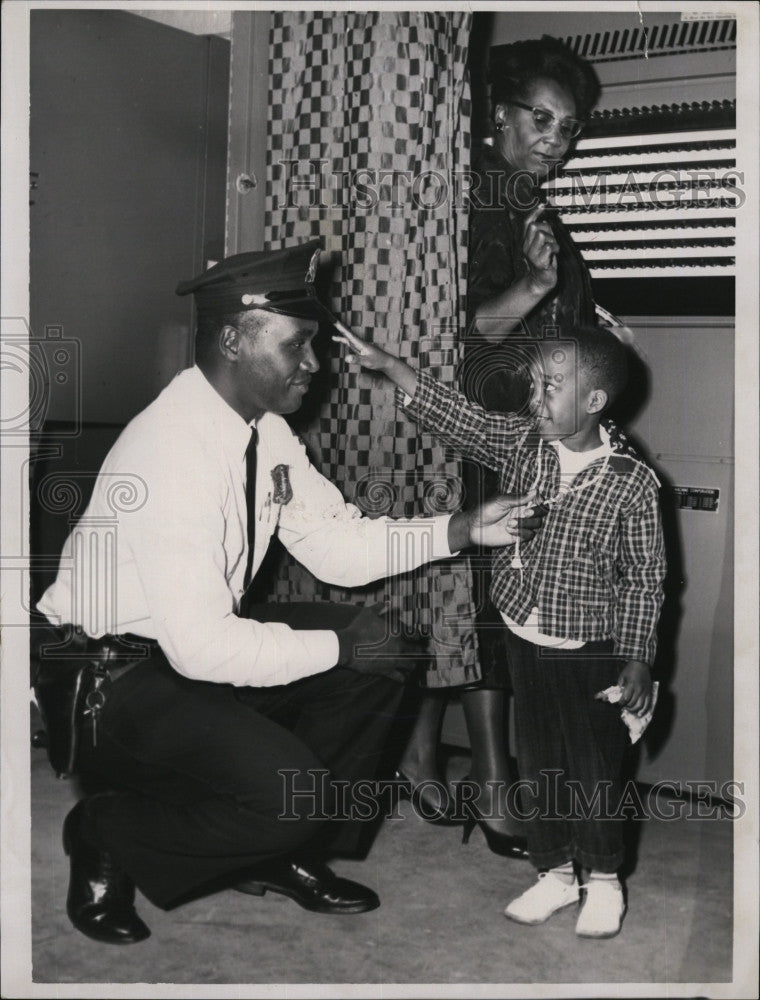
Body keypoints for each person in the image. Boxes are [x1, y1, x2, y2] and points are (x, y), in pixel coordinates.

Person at [35, 240, 545, 945]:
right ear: (233, 340)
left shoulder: (264, 432)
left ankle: (282, 853)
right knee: (291, 783)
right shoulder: (172, 451)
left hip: (181, 648)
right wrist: (338, 643)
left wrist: (457, 530)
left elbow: (337, 545)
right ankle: (105, 829)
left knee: (386, 649)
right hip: (109, 679)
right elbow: (205, 649)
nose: (317, 364)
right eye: (298, 345)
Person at [333, 321, 665, 939]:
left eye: (550, 387)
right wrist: (391, 366)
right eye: (534, 384)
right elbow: (460, 419)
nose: (534, 399)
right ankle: (557, 873)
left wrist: (638, 657)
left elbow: (646, 579)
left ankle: (604, 879)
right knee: (539, 761)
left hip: (591, 649)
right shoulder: (524, 444)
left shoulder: (632, 484)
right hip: (525, 636)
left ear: (594, 401)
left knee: (592, 767)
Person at [396, 35, 603, 852]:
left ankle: (418, 757)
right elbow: (460, 336)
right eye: (541, 120)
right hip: (471, 433)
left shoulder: (525, 203)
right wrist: (536, 290)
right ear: (496, 118)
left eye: (569, 127)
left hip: (518, 429)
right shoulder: (477, 203)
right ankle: (493, 789)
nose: (556, 139)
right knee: (481, 610)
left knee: (456, 602)